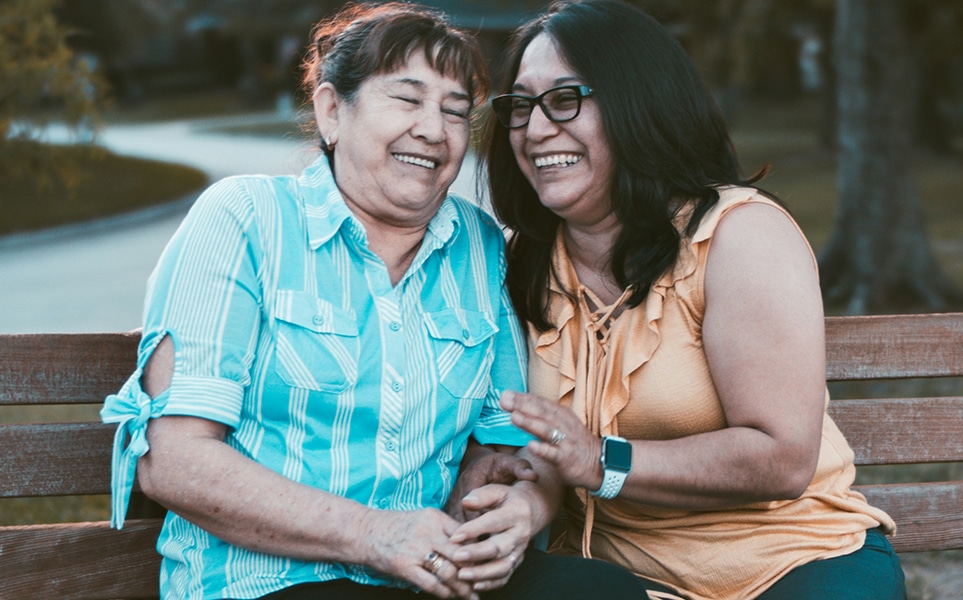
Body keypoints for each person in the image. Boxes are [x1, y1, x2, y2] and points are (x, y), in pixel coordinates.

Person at [99, 3, 648, 599]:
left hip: (433, 576)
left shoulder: (478, 245)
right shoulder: (246, 219)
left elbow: (509, 443)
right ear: (332, 111)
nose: (434, 131)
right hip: (271, 582)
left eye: (455, 111)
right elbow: (175, 461)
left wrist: (520, 507)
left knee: (600, 591)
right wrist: (373, 535)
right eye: (407, 100)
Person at [482, 1, 907, 598]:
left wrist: (603, 461)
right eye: (520, 105)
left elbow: (782, 458)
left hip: (790, 563)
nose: (533, 128)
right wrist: (514, 490)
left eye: (565, 98)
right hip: (616, 579)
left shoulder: (737, 236)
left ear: (640, 103)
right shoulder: (515, 262)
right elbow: (512, 442)